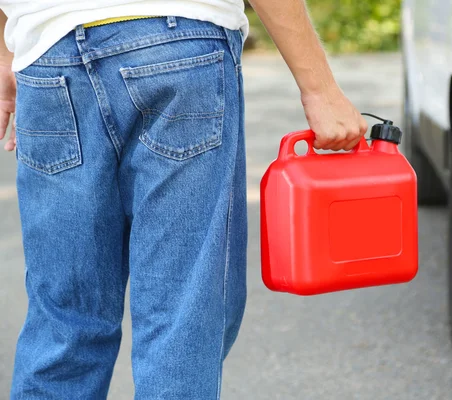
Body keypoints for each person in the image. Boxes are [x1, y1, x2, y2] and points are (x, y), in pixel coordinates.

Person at [0, 0, 367, 398]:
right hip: (179, 45)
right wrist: (320, 89)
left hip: (48, 60)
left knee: (63, 323)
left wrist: (8, 52)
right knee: (181, 317)